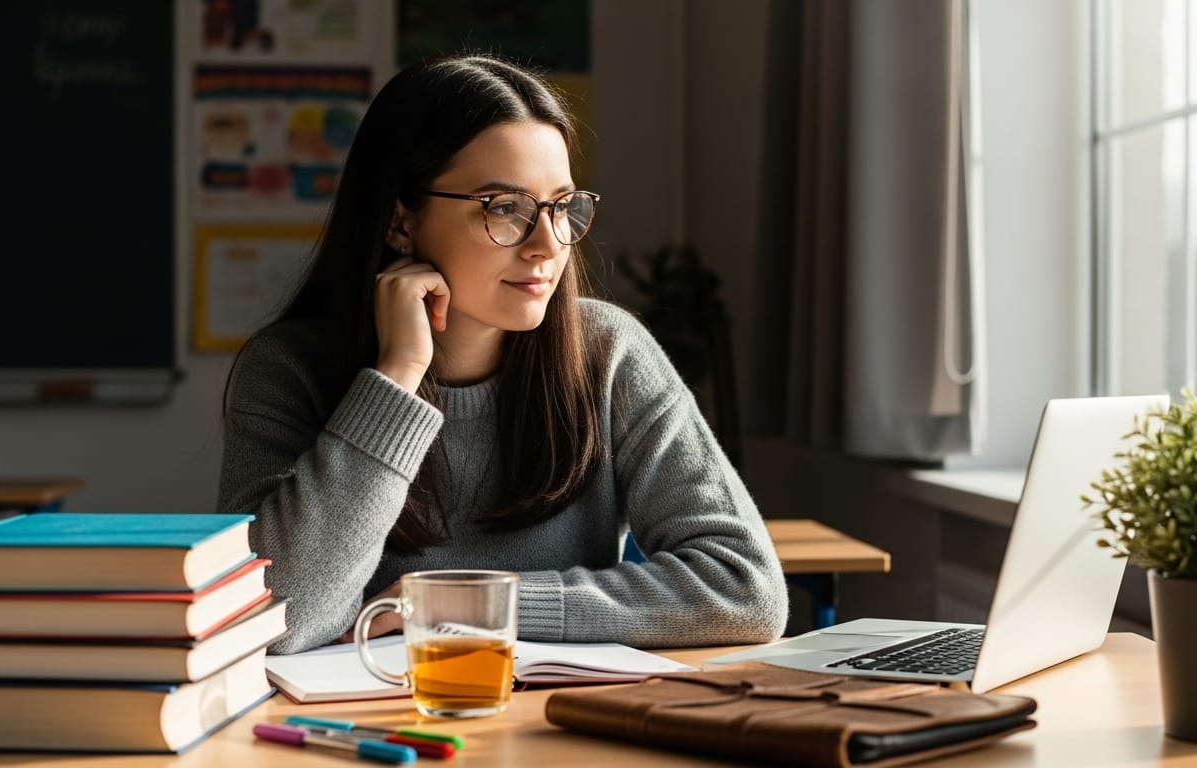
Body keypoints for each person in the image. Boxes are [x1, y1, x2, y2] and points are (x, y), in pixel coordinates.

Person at [218, 55, 789, 655]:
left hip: (555, 710)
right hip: (377, 710)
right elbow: (276, 621)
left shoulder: (608, 352)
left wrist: (474, 604)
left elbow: (745, 589)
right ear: (400, 223)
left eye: (561, 207)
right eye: (504, 208)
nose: (547, 244)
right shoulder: (286, 370)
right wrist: (396, 377)